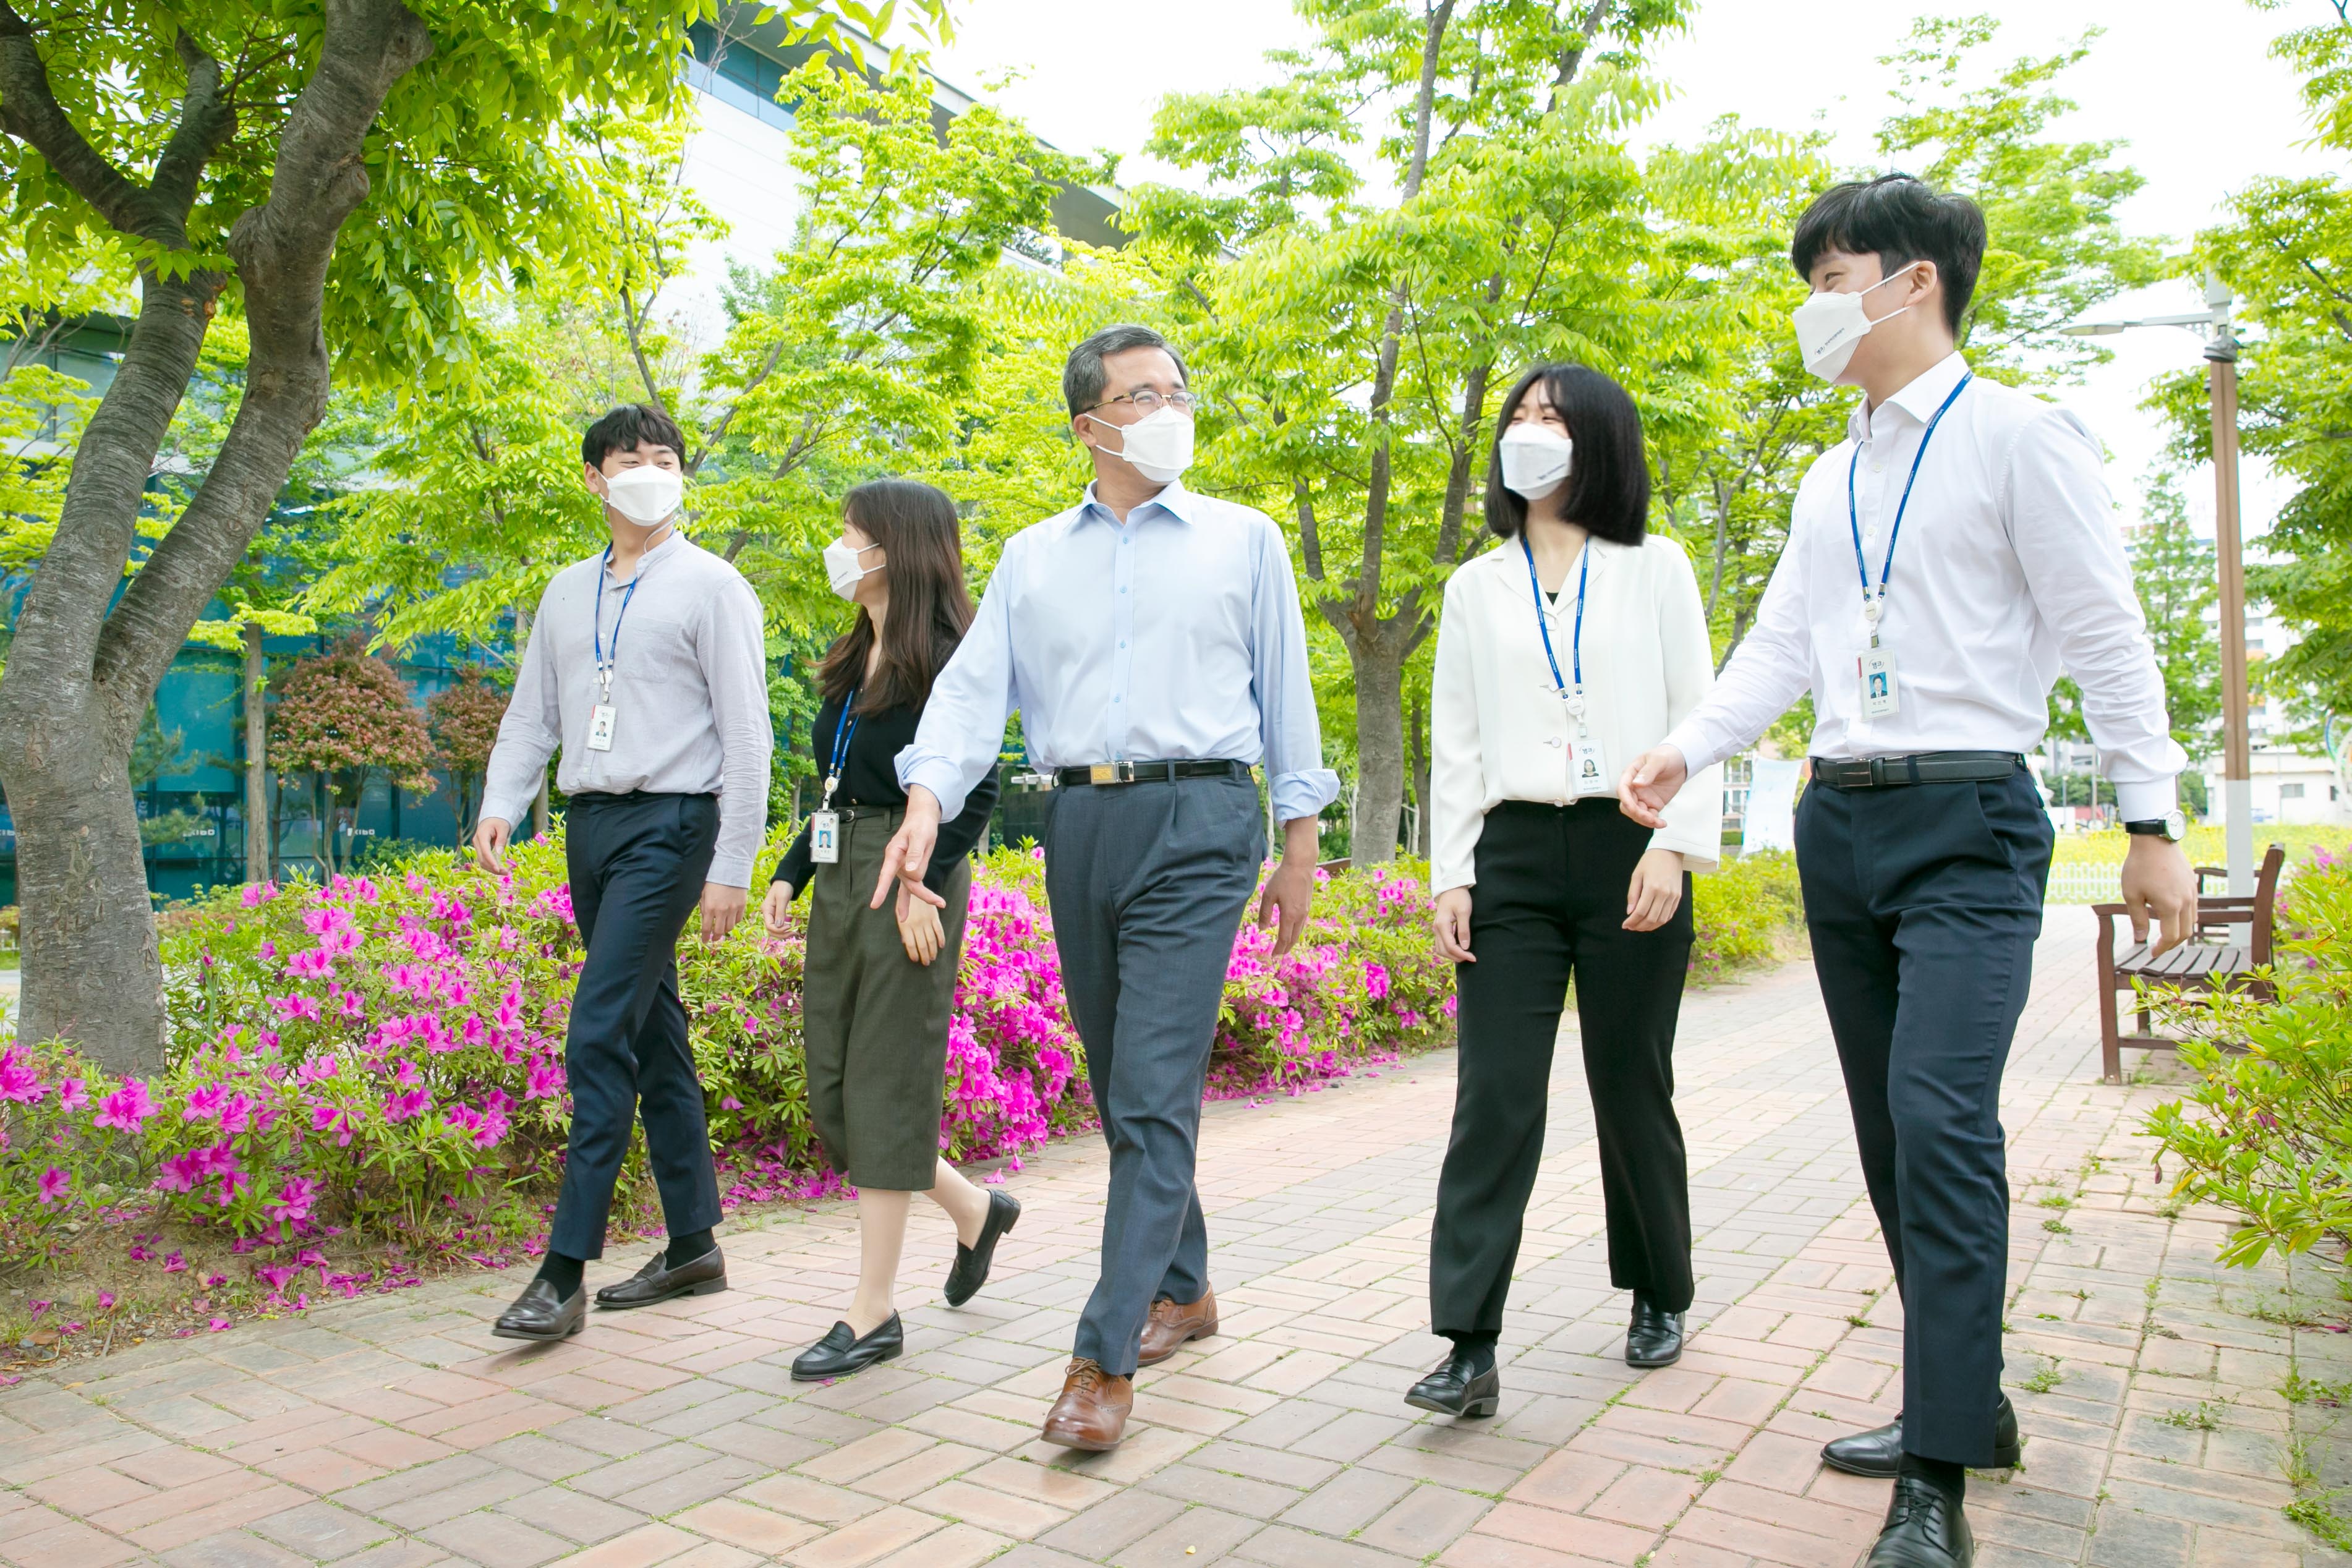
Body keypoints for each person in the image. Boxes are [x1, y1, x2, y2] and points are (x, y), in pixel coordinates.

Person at [1617, 175, 2199, 1568]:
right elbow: (1781, 647)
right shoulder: (1832, 473)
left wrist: (2153, 817)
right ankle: (1968, 1396)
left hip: (1972, 818)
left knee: (1942, 1122)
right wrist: (1687, 750)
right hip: (1843, 820)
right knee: (1890, 1131)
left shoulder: (2019, 437)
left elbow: (2107, 633)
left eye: (1832, 274)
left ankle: (1933, 1477)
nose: (1815, 303)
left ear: (1915, 280)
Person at [878, 324, 1340, 1451]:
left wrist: (1300, 837)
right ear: (1090, 426)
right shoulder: (1035, 557)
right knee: (1120, 1077)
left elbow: (1287, 691)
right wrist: (926, 802)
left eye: (1178, 388)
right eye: (1141, 395)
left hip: (1204, 817)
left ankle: (1104, 1357)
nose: (1169, 407)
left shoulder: (1245, 540)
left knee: (1148, 1089)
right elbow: (973, 696)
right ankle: (1186, 1286)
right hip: (1081, 818)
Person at [1412, 363, 1721, 1422]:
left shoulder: (1656, 566)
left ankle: (1657, 1291)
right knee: (1494, 1095)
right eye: (1520, 417)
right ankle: (1468, 1342)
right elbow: (1453, 742)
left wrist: (1674, 847)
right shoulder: (1474, 585)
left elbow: (1700, 715)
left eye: (1552, 417)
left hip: (1631, 840)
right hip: (1513, 856)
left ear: (1599, 441)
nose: (1530, 432)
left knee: (1631, 1080)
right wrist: (1453, 871)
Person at [475, 403, 772, 1343]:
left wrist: (733, 861)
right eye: (632, 458)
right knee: (651, 1029)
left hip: (675, 824)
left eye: (668, 457)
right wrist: (497, 800)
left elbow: (748, 736)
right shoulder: (568, 592)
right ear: (596, 480)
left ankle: (563, 1272)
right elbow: (534, 714)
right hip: (590, 823)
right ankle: (694, 1243)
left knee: (597, 1029)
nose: (653, 469)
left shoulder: (715, 587)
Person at [759, 479, 1014, 1381]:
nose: (840, 548)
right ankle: (976, 1211)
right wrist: (791, 873)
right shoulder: (853, 651)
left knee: (883, 1082)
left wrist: (925, 883)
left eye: (853, 534)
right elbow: (839, 787)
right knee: (834, 1086)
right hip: (841, 872)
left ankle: (873, 1314)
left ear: (895, 548)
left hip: (913, 880)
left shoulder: (952, 656)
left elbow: (978, 785)